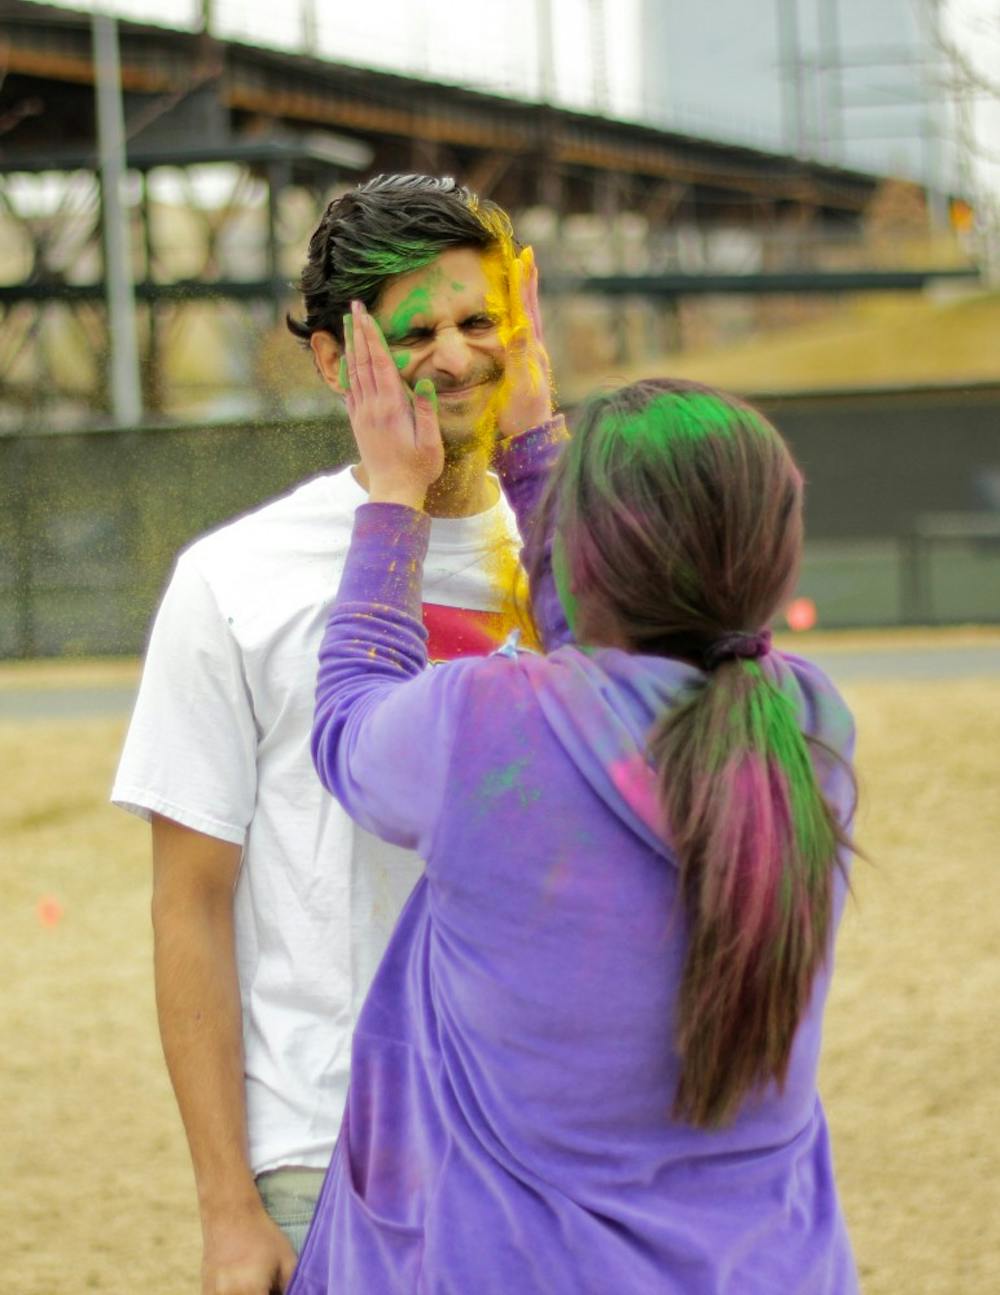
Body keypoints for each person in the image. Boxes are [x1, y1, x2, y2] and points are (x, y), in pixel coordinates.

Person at [294, 303, 860, 1293]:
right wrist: (538, 443)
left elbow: (347, 723)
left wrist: (393, 499)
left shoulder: (485, 728)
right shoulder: (807, 728)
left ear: (579, 549)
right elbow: (632, 653)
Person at [112, 174, 553, 1295]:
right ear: (330, 358)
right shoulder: (232, 580)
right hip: (334, 1158)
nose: (455, 358)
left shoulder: (586, 555)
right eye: (417, 333)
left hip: (553, 1147)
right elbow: (189, 899)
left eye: (476, 320)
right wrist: (228, 1203)